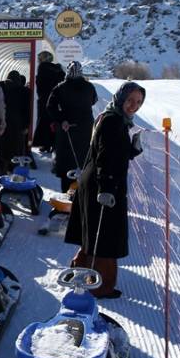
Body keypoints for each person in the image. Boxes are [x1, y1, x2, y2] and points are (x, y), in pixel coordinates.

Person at [64, 81, 146, 299]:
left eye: (138, 102)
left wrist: (133, 148)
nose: (134, 105)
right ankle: (100, 287)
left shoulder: (115, 118)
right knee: (105, 238)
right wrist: (107, 187)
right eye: (130, 100)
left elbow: (116, 152)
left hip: (99, 182)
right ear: (121, 98)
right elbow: (105, 156)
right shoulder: (112, 121)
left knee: (94, 236)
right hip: (103, 184)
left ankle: (78, 273)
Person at [47, 61, 97, 193]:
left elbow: (50, 107)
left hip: (66, 129)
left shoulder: (60, 87)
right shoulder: (89, 87)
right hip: (85, 129)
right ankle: (82, 195)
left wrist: (61, 118)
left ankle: (66, 194)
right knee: (84, 162)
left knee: (66, 164)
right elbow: (93, 101)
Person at [0, 70, 31, 176]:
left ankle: (2, 169)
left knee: (2, 147)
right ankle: (14, 170)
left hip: (2, 121)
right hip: (18, 124)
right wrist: (26, 125)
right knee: (16, 148)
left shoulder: (1, 87)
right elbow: (27, 110)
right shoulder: (25, 91)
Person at [34, 51, 65, 152]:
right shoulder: (57, 69)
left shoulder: (42, 67)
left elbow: (40, 83)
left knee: (43, 122)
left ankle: (45, 144)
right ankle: (54, 143)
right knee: (54, 120)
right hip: (56, 98)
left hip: (44, 99)